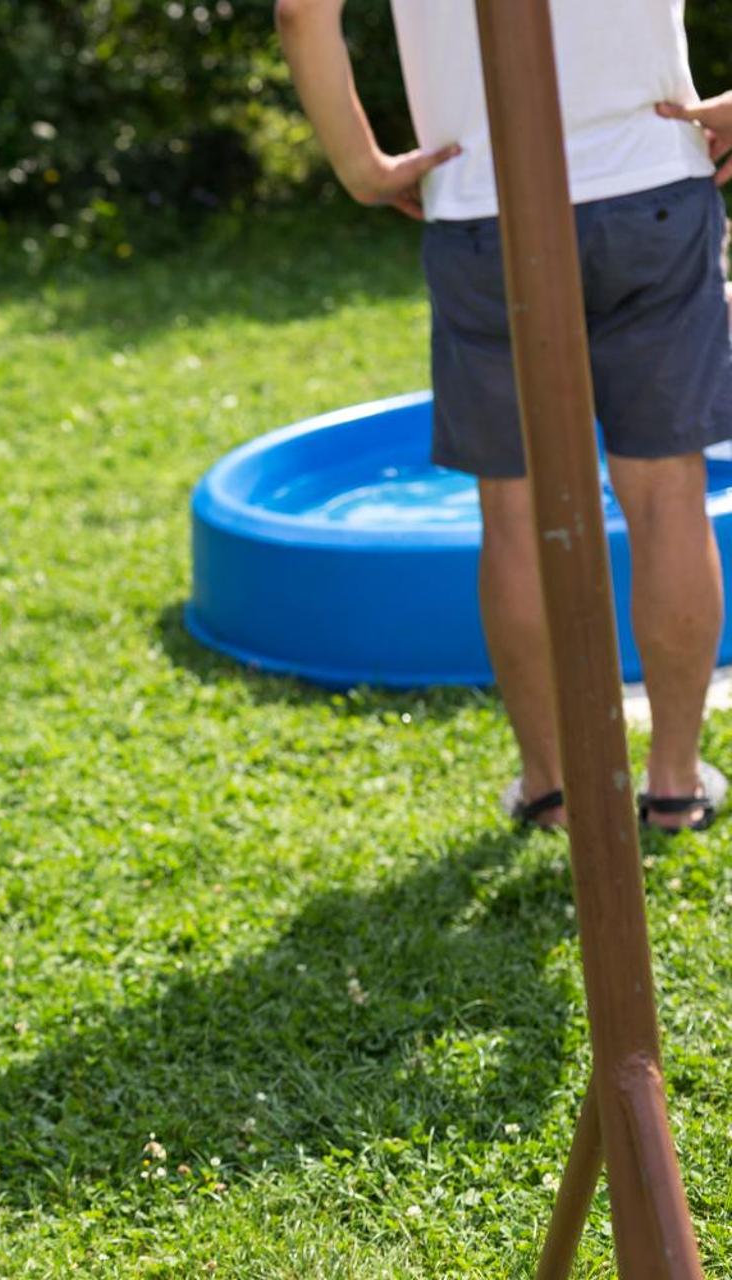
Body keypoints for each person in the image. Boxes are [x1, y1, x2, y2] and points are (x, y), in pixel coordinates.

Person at [276, 0, 732, 831]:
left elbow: (302, 11)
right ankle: (674, 787)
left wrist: (361, 165)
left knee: (514, 514)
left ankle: (551, 788)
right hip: (652, 186)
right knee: (669, 494)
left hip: (482, 202)